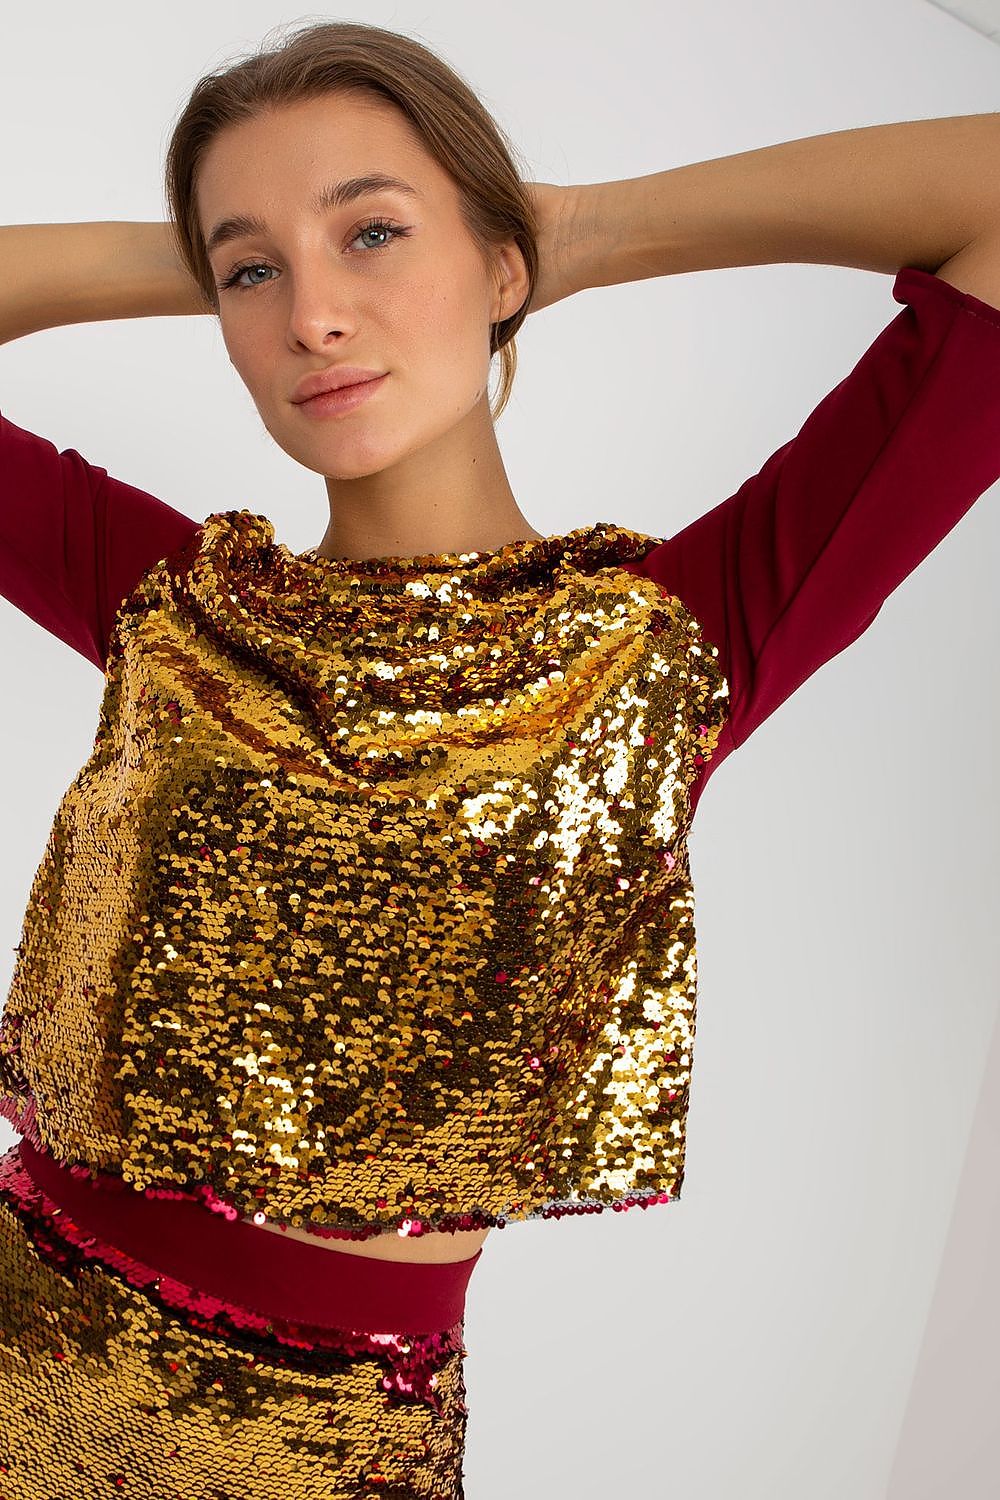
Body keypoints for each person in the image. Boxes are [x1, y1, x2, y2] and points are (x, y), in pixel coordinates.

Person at [2, 17, 1000, 1500]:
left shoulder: (670, 648)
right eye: (254, 272)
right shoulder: (175, 608)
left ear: (503, 263)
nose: (315, 319)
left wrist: (562, 228)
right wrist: (218, 265)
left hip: (331, 1450)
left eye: (376, 233)